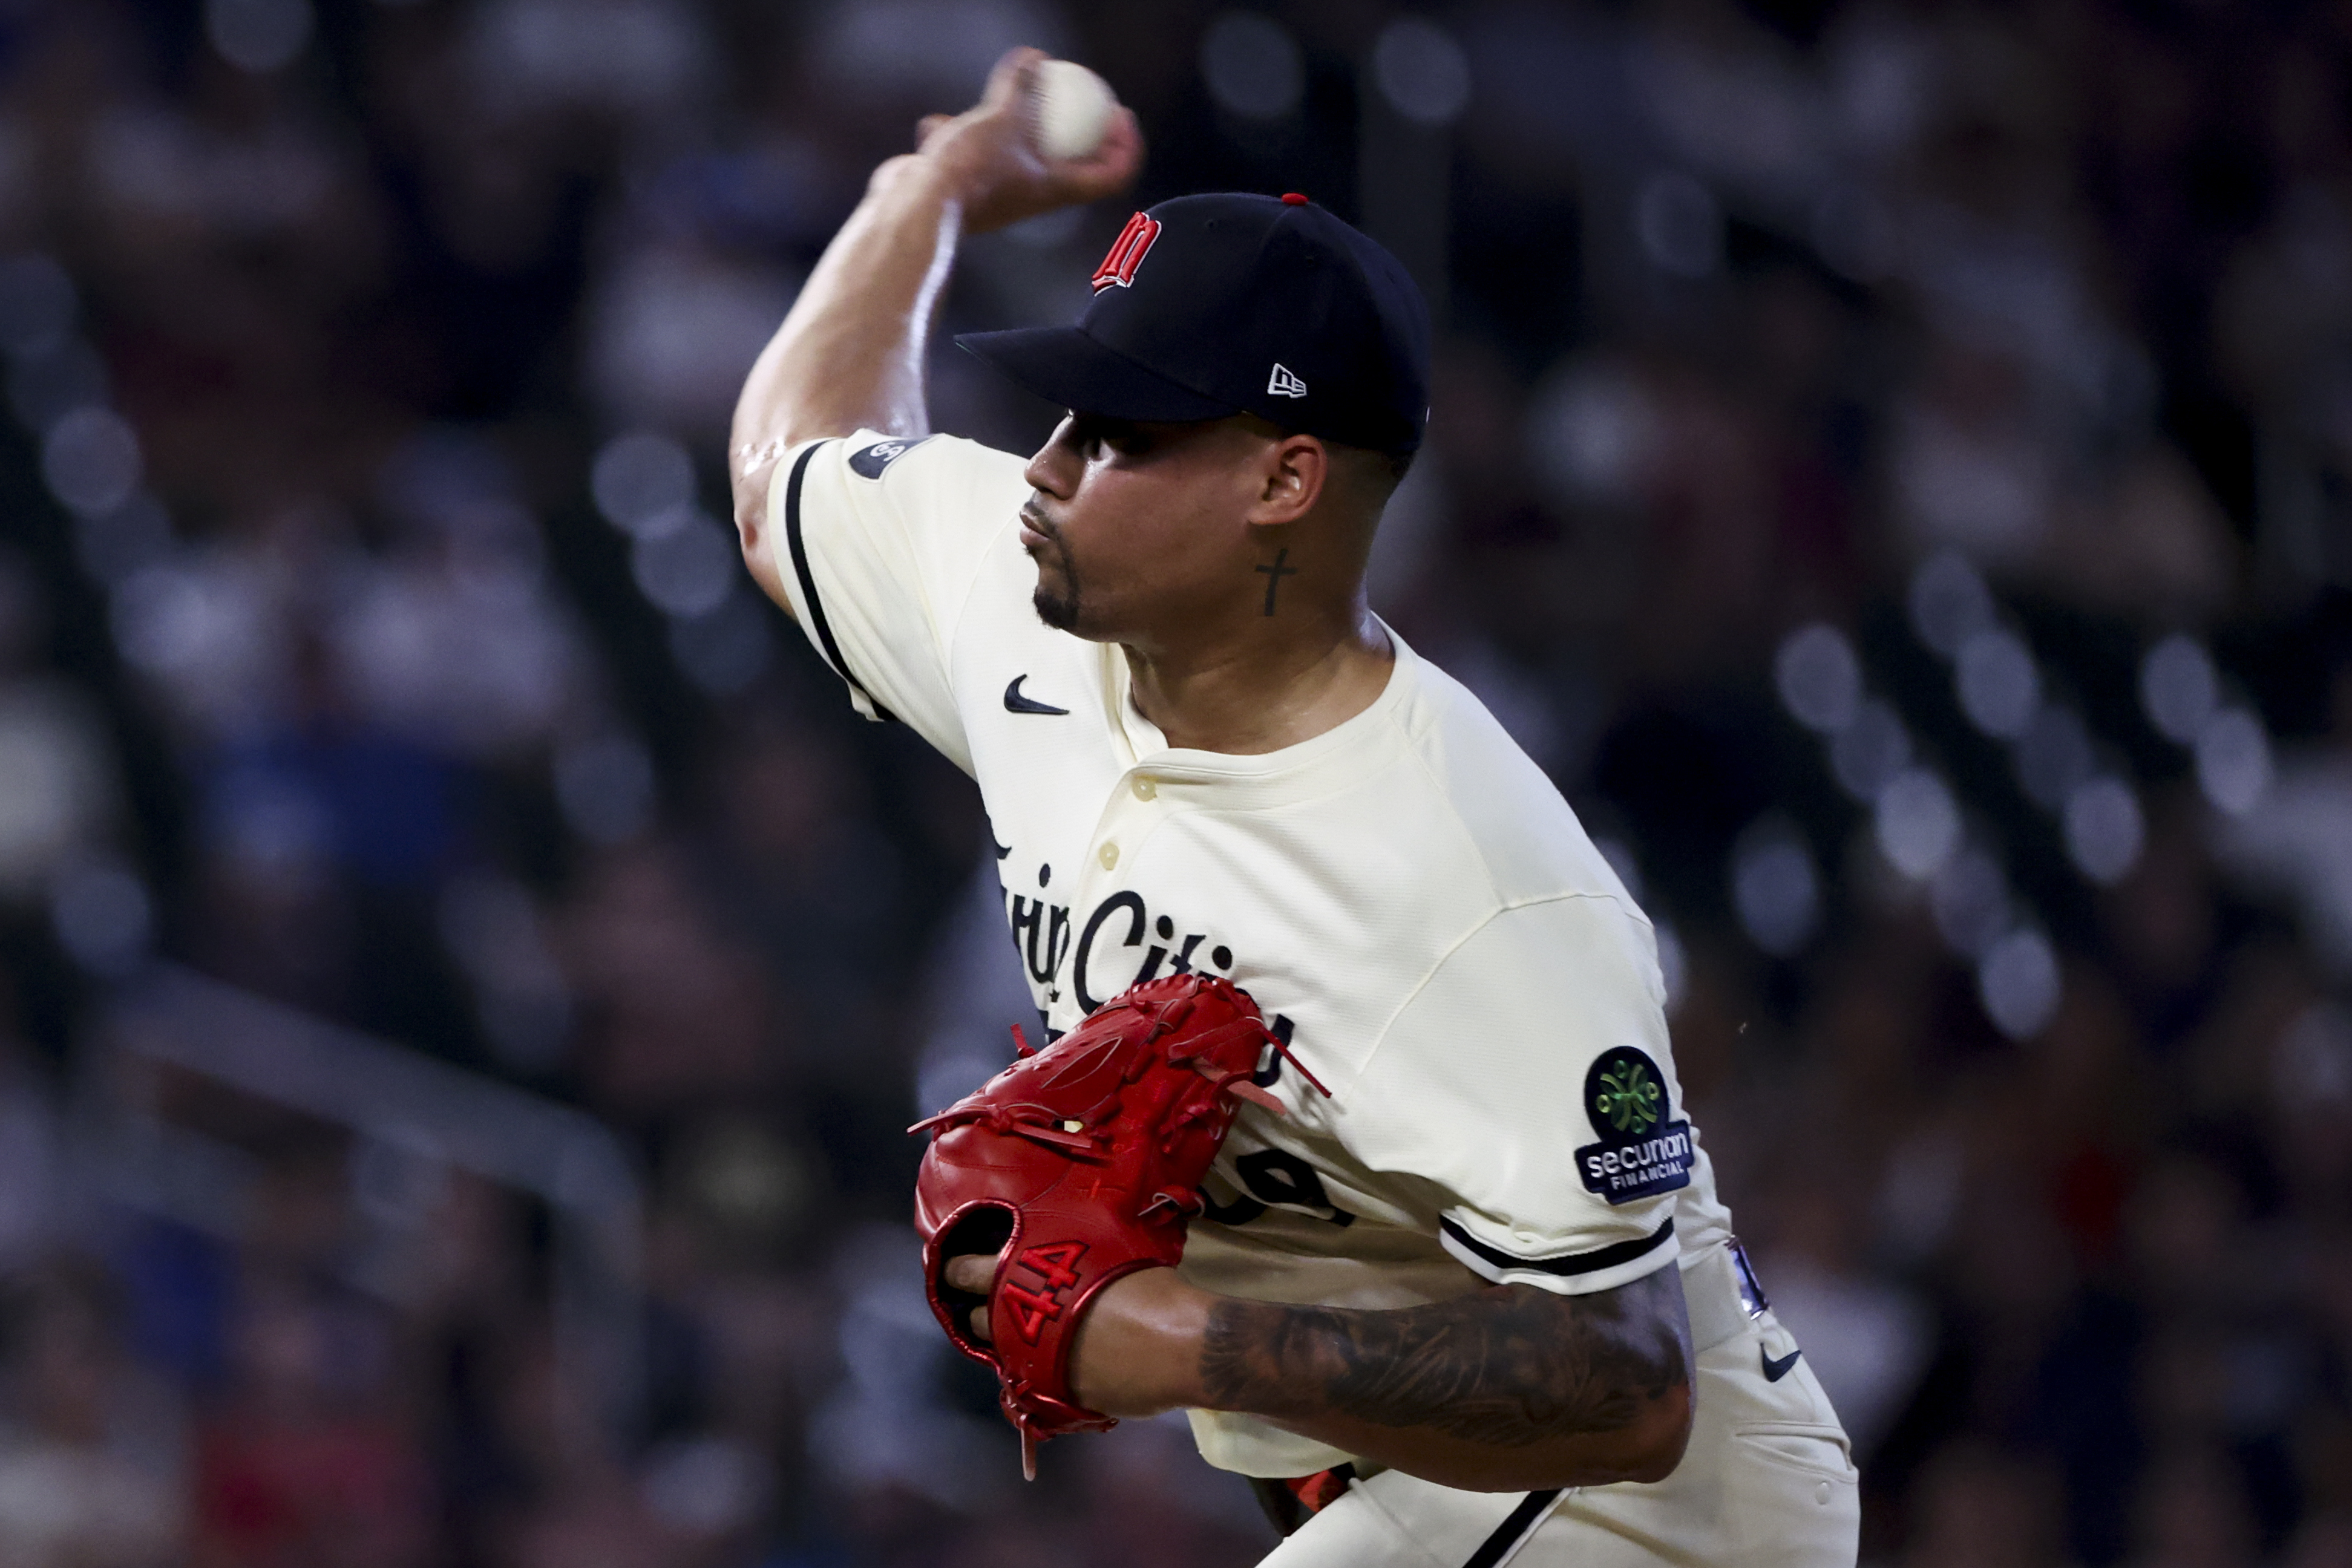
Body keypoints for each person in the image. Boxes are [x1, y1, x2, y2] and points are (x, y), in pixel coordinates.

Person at [727, 48, 1859, 1568]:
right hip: (1401, 1479)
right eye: (1065, 412)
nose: (1047, 469)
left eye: (1120, 432)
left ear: (1284, 482)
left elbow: (1632, 1385)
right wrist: (925, 191)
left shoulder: (1475, 884)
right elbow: (780, 472)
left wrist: (1180, 1338)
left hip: (1652, 1511)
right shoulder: (1022, 587)